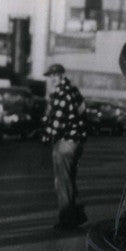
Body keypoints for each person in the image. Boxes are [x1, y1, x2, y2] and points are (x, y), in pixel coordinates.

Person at [41, 64, 89, 230]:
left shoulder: (62, 93)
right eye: (50, 76)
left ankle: (67, 219)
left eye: (54, 75)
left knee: (62, 182)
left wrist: (46, 135)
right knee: (69, 180)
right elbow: (83, 111)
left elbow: (57, 121)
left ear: (61, 75)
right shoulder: (75, 91)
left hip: (65, 142)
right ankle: (75, 215)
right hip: (76, 141)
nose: (52, 79)